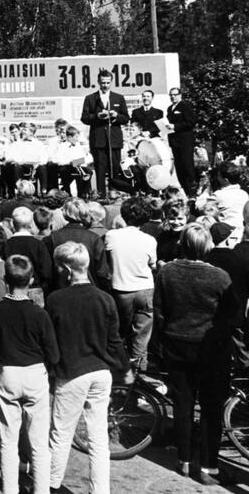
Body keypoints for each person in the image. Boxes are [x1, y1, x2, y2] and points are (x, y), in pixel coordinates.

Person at [154, 224, 237, 484]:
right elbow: (232, 315)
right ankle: (209, 466)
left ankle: (184, 460)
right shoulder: (220, 277)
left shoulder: (167, 272)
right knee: (211, 409)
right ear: (208, 246)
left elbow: (159, 312)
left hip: (177, 345)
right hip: (211, 350)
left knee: (183, 405)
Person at [46, 242, 131, 493]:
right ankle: (100, 489)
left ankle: (50, 484)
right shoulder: (105, 299)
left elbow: (50, 340)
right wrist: (125, 368)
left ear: (65, 268)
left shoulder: (56, 300)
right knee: (98, 437)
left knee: (61, 434)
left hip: (71, 371)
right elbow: (114, 340)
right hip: (101, 372)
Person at [0, 256, 59, 494]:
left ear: (5, 280)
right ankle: (41, 489)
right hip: (35, 373)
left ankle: (9, 489)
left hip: (8, 373)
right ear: (31, 280)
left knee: (8, 439)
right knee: (38, 441)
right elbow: (53, 354)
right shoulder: (39, 314)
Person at [103, 197, 157, 370]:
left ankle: (119, 370)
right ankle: (139, 373)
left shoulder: (111, 236)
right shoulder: (149, 240)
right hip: (145, 289)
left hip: (121, 289)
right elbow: (152, 264)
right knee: (141, 336)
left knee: (120, 332)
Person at [80, 69, 130, 196]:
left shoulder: (119, 97)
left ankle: (115, 193)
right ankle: (101, 195)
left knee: (115, 168)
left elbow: (125, 118)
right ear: (98, 82)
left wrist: (116, 115)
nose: (105, 85)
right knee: (100, 169)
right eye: (103, 82)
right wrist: (97, 116)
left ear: (111, 82)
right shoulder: (90, 98)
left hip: (114, 140)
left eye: (108, 82)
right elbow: (84, 118)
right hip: (98, 140)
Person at [4, 207, 52, 300]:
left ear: (13, 224)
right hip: (35, 288)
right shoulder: (38, 244)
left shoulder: (7, 244)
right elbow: (47, 271)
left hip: (12, 290)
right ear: (31, 224)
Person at [164, 87, 197, 196]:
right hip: (174, 142)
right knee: (179, 167)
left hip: (185, 141)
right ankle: (186, 191)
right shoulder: (170, 108)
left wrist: (175, 126)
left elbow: (191, 122)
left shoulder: (185, 106)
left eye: (175, 94)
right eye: (171, 95)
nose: (173, 97)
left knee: (187, 166)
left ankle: (192, 192)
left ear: (180, 95)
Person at [3, 123, 49, 194]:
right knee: (16, 167)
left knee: (42, 168)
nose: (22, 131)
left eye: (25, 130)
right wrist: (17, 160)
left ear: (31, 132)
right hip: (22, 165)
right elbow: (9, 157)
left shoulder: (38, 144)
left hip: (35, 165)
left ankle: (44, 191)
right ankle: (18, 190)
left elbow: (44, 157)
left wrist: (38, 164)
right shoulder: (17, 143)